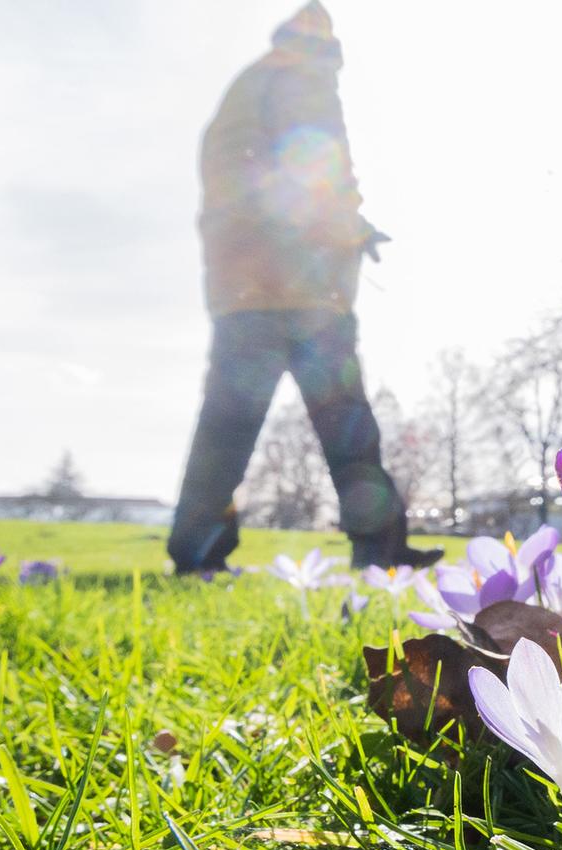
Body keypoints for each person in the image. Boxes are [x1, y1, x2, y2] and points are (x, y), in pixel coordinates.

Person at [168, 2, 439, 573]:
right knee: (336, 430)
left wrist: (350, 226)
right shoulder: (297, 80)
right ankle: (376, 550)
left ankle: (201, 552)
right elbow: (314, 173)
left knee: (242, 426)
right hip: (290, 292)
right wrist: (339, 226)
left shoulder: (261, 82)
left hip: (264, 291)